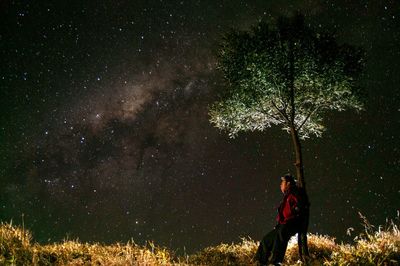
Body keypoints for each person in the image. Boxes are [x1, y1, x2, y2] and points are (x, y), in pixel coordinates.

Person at [254, 174, 302, 265]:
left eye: (282, 182)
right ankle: (259, 261)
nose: (280, 185)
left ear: (288, 183)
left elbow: (300, 205)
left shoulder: (294, 193)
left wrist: (295, 210)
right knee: (266, 240)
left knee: (280, 237)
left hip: (290, 224)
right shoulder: (287, 196)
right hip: (282, 224)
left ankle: (275, 262)